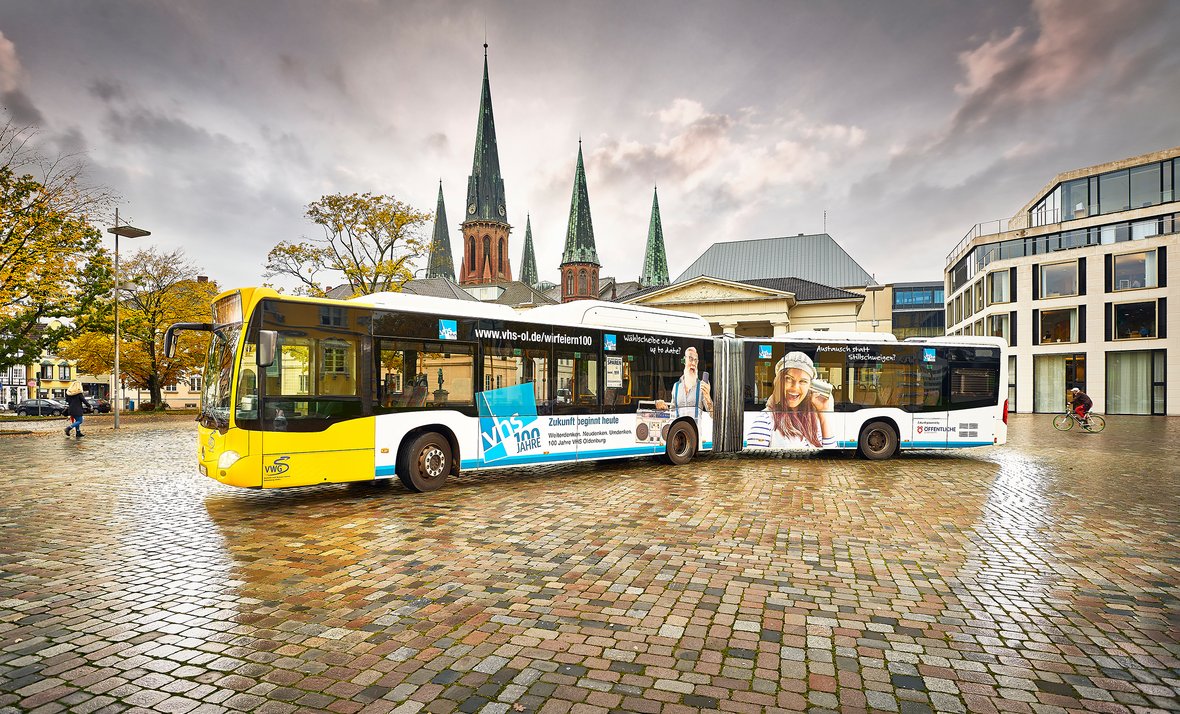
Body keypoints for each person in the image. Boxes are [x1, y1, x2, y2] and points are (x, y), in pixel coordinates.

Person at [746, 351, 834, 450]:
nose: (795, 387)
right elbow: (754, 463)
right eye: (788, 379)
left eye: (803, 381)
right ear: (779, 382)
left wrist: (823, 414)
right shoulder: (765, 421)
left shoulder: (812, 422)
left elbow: (830, 459)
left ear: (810, 387)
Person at [655, 345, 712, 417]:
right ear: (684, 360)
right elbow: (672, 413)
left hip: (694, 428)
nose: (693, 364)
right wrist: (664, 409)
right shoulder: (676, 386)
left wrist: (708, 397)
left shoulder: (702, 386)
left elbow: (713, 415)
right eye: (690, 359)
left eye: (696, 360)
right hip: (678, 428)